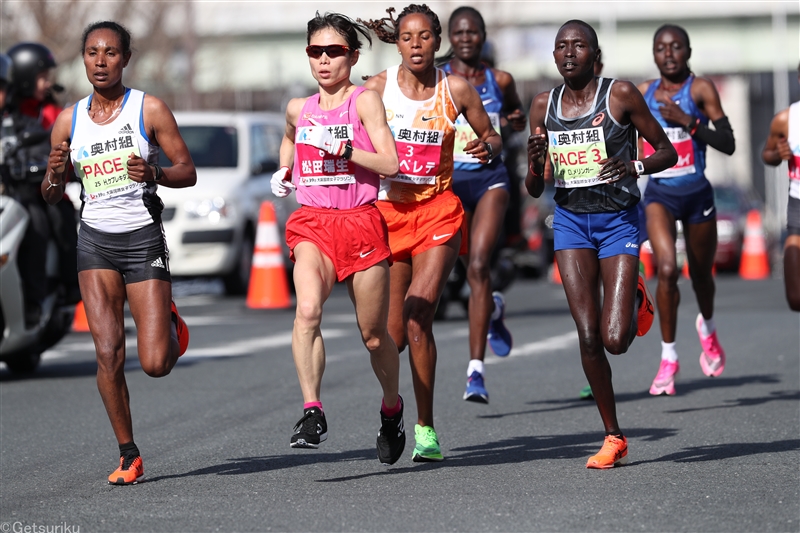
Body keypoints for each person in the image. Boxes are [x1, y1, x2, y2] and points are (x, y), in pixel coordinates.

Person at [41, 21, 194, 485]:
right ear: (83, 59)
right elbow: (50, 194)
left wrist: (154, 173)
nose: (100, 61)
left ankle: (170, 326)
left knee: (154, 364)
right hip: (95, 242)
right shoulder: (68, 120)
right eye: (92, 52)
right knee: (107, 353)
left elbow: (186, 170)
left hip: (142, 238)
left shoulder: (148, 108)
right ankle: (129, 453)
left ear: (126, 58)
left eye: (110, 52)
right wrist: (53, 175)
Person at [526, 20, 676, 469]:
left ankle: (634, 293)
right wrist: (535, 168)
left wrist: (634, 165)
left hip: (617, 222)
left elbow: (666, 151)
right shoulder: (542, 105)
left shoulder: (621, 95)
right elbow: (535, 188)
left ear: (594, 54)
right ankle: (614, 436)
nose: (569, 52)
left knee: (615, 340)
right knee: (589, 335)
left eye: (579, 45)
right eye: (561, 46)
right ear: (554, 57)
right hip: (571, 222)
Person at [361, 4, 502, 461]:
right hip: (388, 215)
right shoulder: (376, 89)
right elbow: (333, 123)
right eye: (407, 37)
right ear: (396, 42)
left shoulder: (456, 89)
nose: (416, 44)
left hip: (438, 213)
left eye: (424, 36)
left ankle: (426, 428)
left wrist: (488, 146)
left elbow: (493, 136)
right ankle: (392, 409)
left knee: (420, 316)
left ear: (437, 41)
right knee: (391, 336)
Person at [270, 12, 406, 464]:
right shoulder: (298, 107)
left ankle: (392, 408)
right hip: (313, 222)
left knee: (372, 336)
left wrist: (347, 150)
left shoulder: (364, 102)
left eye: (334, 51)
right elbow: (291, 136)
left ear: (352, 55)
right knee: (307, 310)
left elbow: (390, 164)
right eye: (315, 51)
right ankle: (312, 411)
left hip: (360, 221)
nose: (324, 60)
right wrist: (284, 168)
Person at [638, 25, 736, 396]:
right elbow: (633, 148)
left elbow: (728, 143)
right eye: (661, 47)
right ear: (654, 53)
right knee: (665, 269)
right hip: (660, 195)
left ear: (688, 51)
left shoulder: (700, 90)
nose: (669, 53)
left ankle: (708, 330)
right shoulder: (643, 93)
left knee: (700, 276)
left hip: (697, 195)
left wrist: (688, 122)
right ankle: (669, 357)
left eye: (676, 47)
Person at [440, 6, 525, 403]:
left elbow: (515, 113)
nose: (466, 38)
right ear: (450, 38)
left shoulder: (500, 79)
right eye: (458, 33)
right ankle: (490, 306)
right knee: (465, 262)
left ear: (483, 36)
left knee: (478, 264)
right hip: (451, 184)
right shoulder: (440, 80)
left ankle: (475, 371)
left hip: (491, 180)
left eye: (472, 32)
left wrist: (516, 119)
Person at [4, 42, 79, 327]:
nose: (48, 82)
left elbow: (59, 145)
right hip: (12, 192)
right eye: (42, 76)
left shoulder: (49, 111)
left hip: (42, 191)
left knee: (43, 222)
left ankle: (51, 292)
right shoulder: (9, 109)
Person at [761, 63, 800, 312]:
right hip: (798, 205)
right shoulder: (787, 119)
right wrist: (778, 153)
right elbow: (767, 154)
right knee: (796, 298)